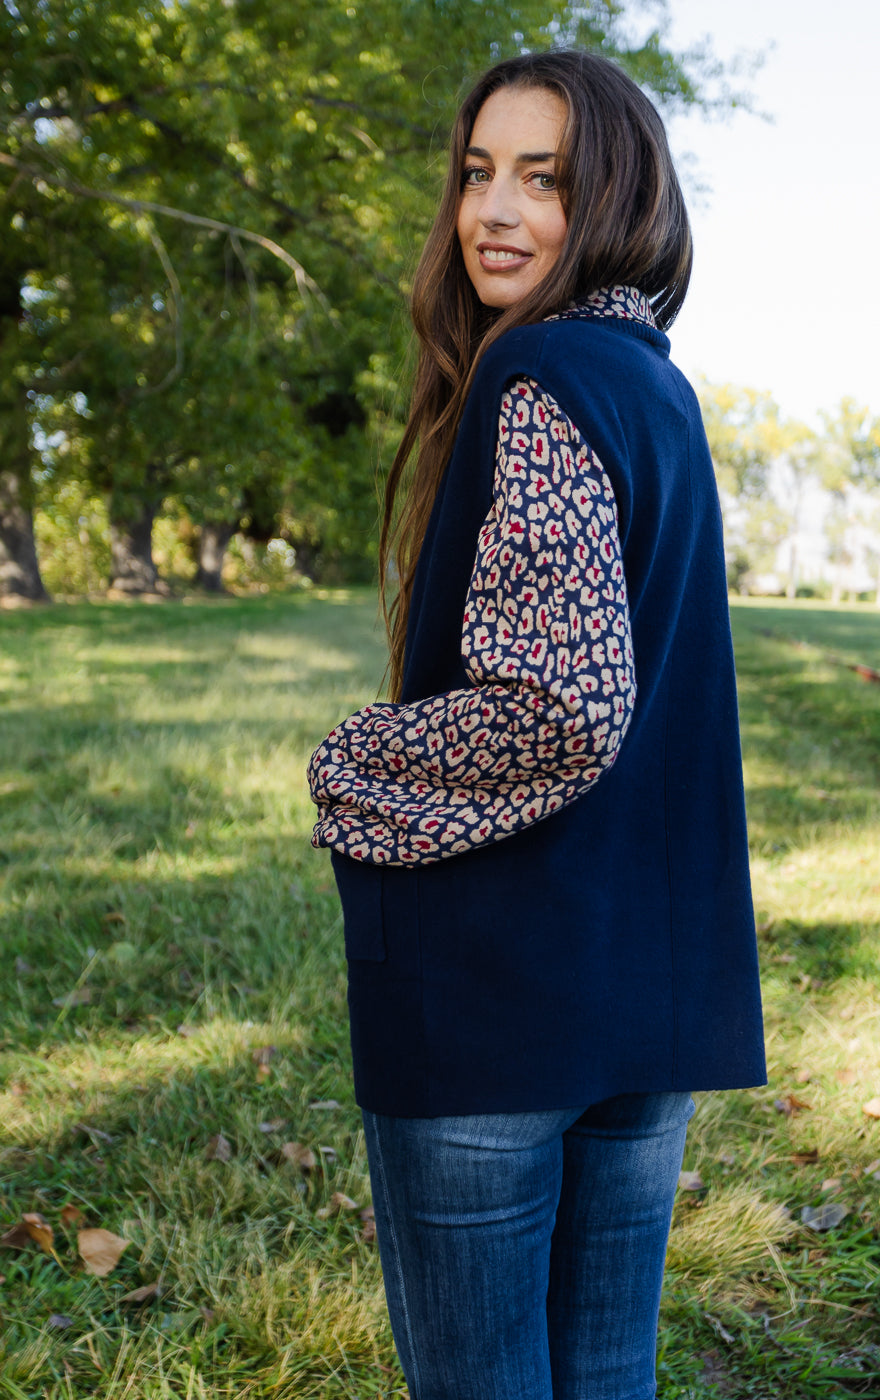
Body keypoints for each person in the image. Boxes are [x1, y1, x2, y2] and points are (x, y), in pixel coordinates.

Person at [308, 48, 766, 1400]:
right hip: (647, 999)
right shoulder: (655, 386)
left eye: (544, 179)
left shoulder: (542, 375)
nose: (495, 211)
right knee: (606, 1373)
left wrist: (353, 762)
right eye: (477, 174)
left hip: (498, 1003)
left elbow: (560, 704)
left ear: (615, 196)